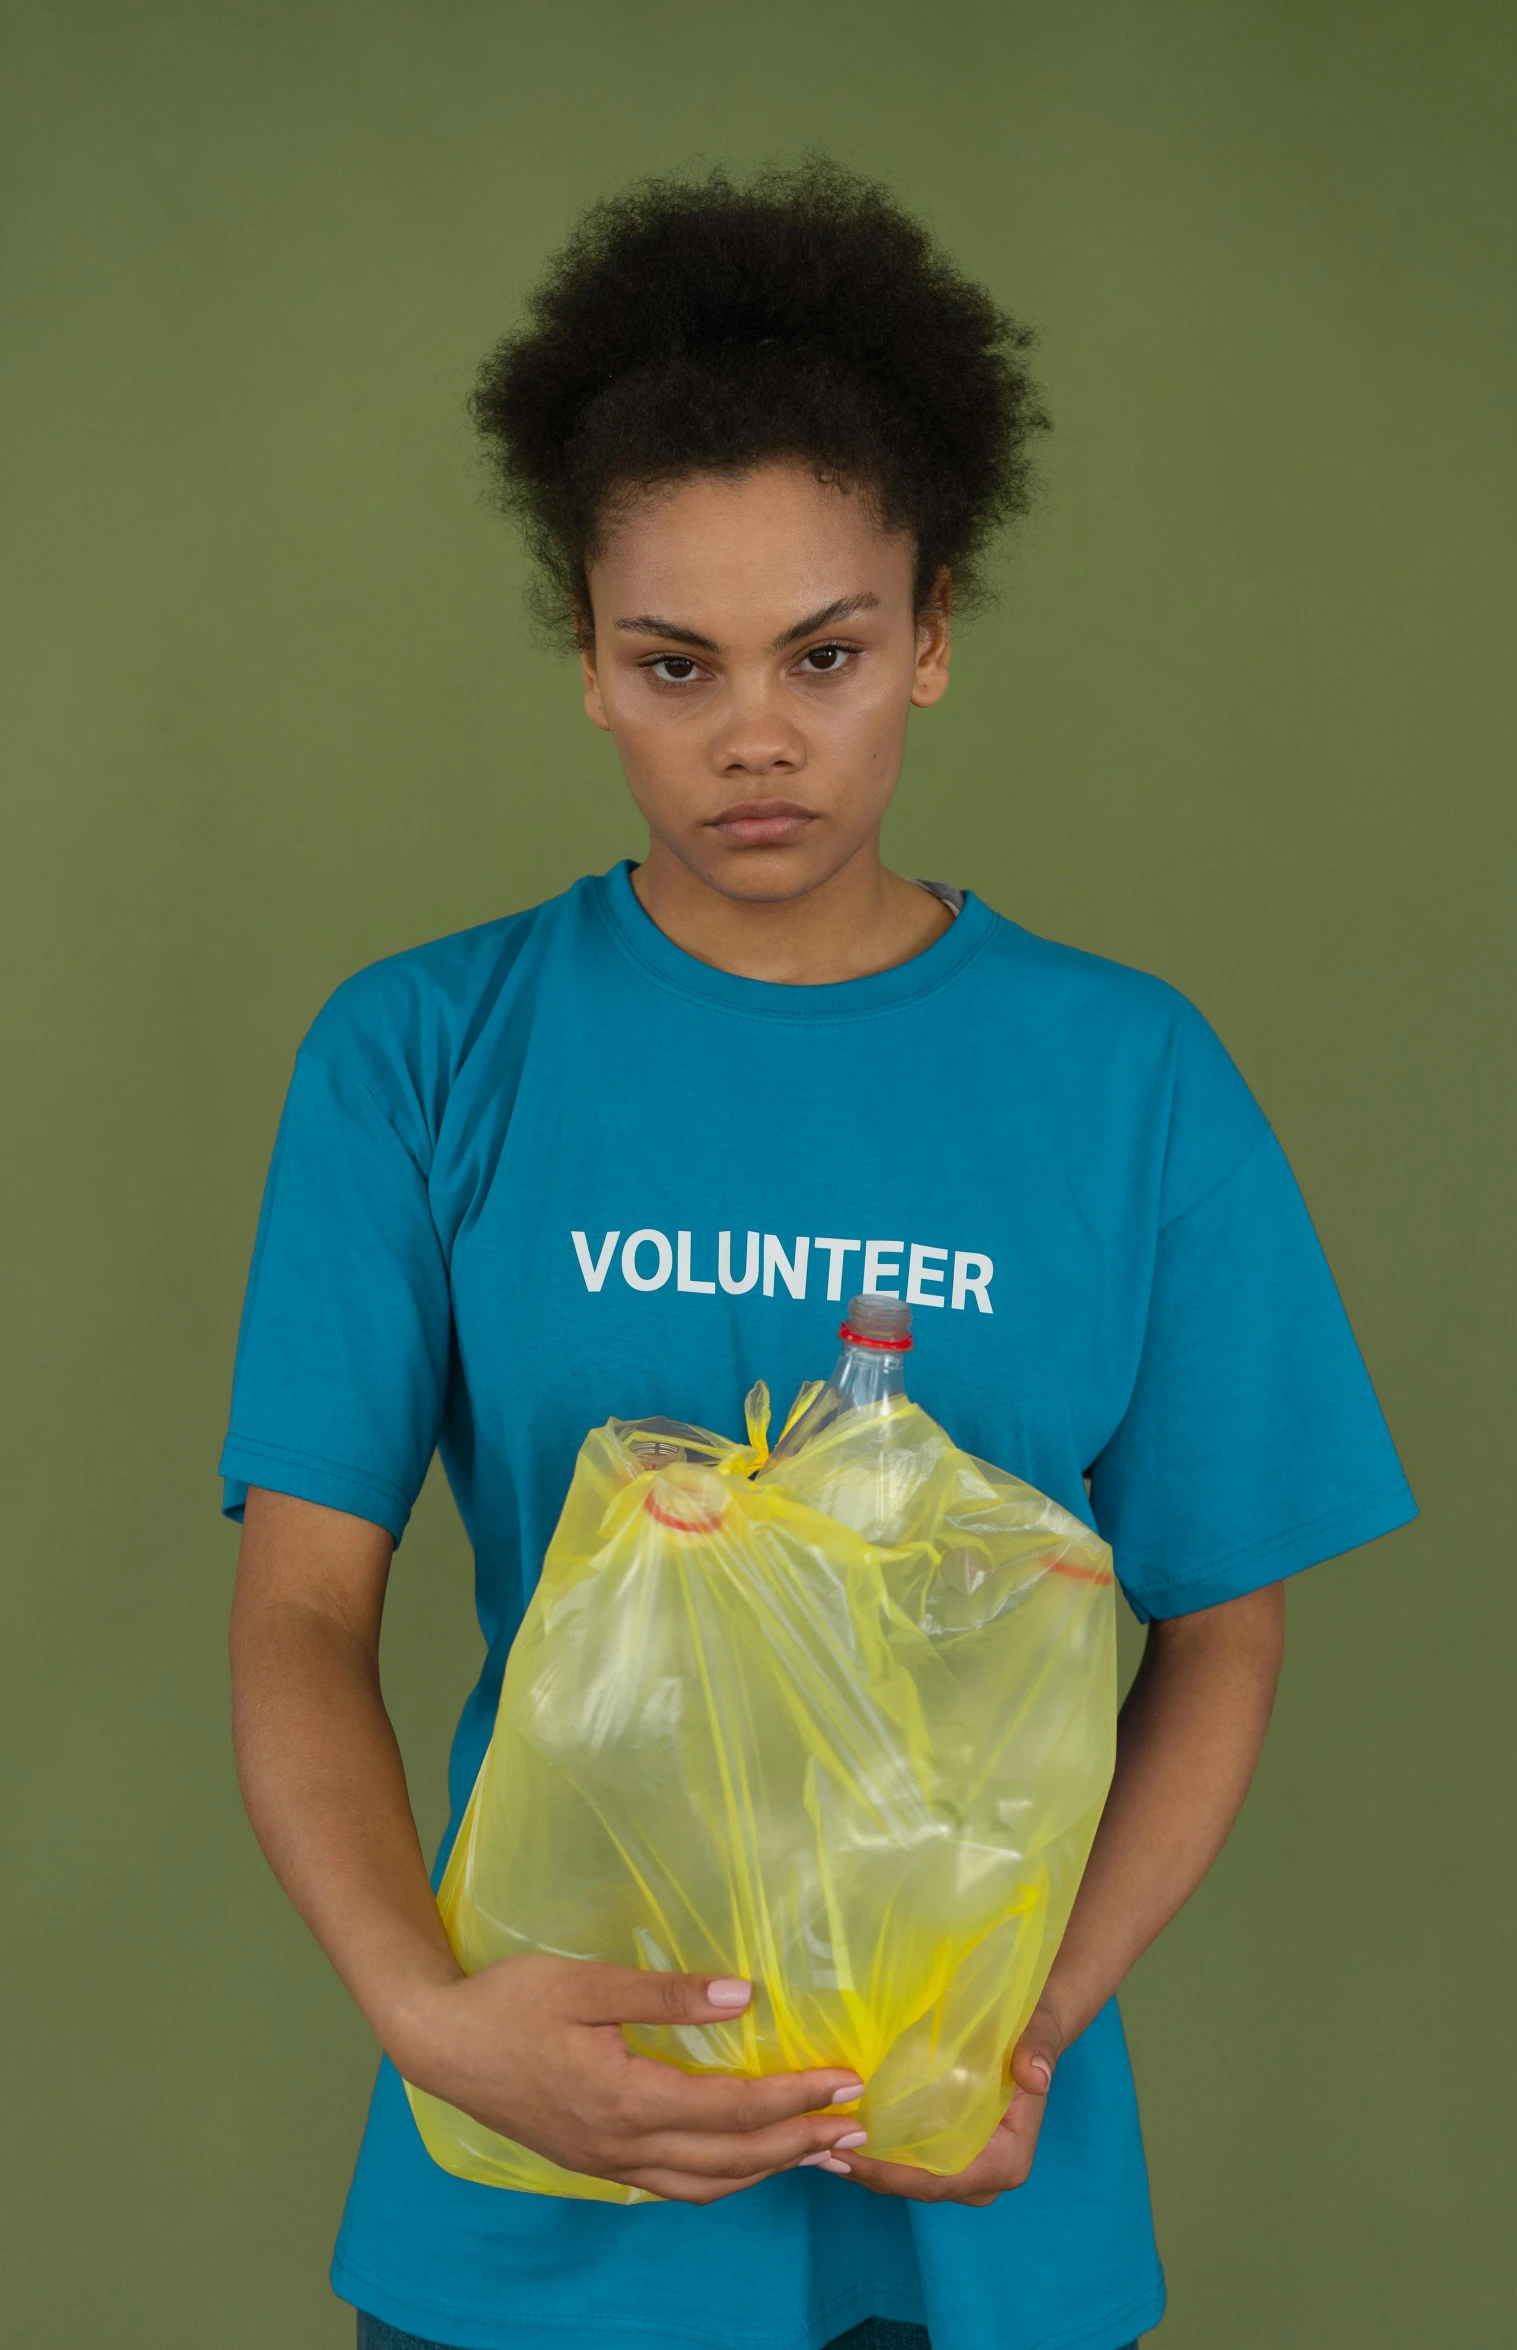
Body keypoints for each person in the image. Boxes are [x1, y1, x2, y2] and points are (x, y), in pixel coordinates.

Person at [224, 161, 1415, 2350]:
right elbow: (303, 1606)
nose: (754, 732)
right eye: (675, 660)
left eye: (827, 651)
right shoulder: (416, 1055)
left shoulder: (1130, 1080)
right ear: (585, 656)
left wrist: (1022, 2026)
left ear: (934, 634)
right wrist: (428, 2009)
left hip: (969, 2211)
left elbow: (1222, 1632)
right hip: (540, 2210)